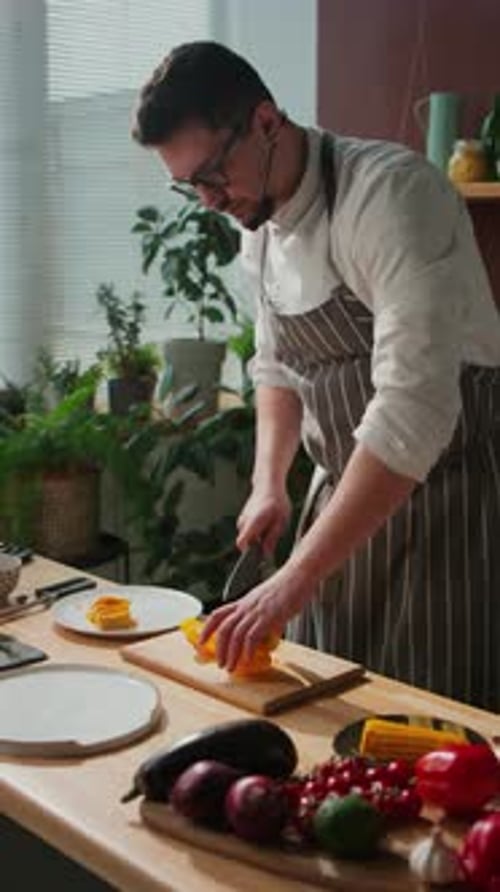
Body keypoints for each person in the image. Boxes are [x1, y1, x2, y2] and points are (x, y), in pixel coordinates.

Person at [132, 41, 500, 710]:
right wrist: (268, 484)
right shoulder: (259, 223)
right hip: (341, 505)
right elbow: (277, 366)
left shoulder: (392, 195)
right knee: (322, 712)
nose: (209, 201)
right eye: (190, 186)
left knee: (428, 722)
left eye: (213, 173)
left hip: (449, 509)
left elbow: (413, 406)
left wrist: (298, 573)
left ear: (266, 121)